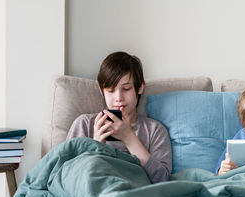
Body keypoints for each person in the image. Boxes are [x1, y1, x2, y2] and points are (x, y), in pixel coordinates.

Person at [66, 51, 172, 183]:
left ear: (139, 88)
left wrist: (129, 138)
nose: (118, 98)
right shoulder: (85, 124)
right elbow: (67, 176)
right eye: (110, 90)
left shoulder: (154, 130)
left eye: (126, 89)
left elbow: (162, 179)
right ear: (101, 90)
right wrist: (96, 145)